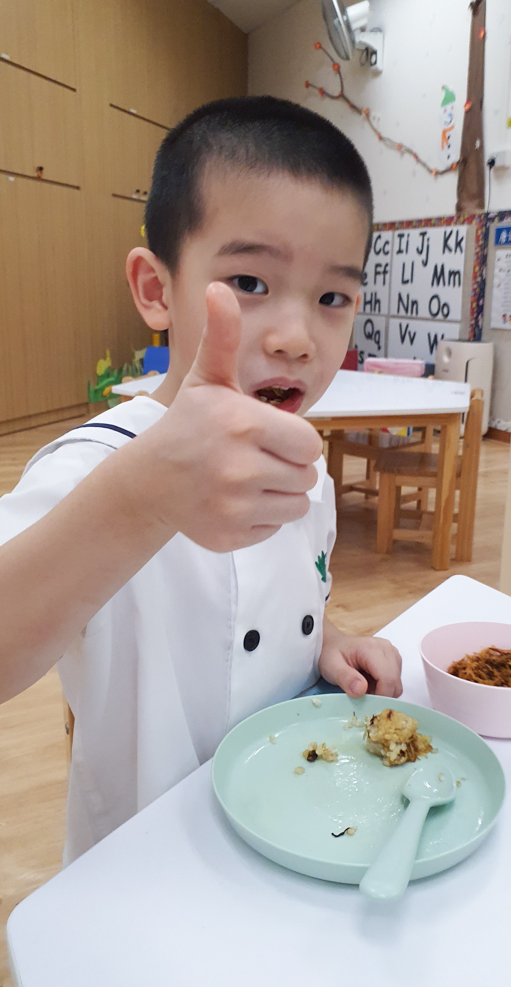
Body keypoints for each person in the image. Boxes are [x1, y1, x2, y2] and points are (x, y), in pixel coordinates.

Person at [0, 97, 402, 862]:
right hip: (147, 860)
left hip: (294, 821)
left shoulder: (304, 465)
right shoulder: (95, 465)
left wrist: (325, 640)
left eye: (332, 298)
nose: (296, 338)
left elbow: (285, 602)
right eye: (249, 280)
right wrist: (142, 496)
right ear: (156, 290)